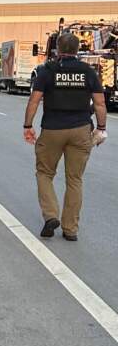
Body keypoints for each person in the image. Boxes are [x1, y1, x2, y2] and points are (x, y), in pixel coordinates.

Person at [23, 32, 107, 241]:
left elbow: (34, 101)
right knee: (75, 179)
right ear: (77, 49)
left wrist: (28, 125)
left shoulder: (46, 71)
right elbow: (99, 103)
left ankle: (51, 215)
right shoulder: (88, 71)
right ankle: (70, 229)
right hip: (80, 130)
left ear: (58, 49)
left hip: (52, 129)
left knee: (44, 173)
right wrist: (101, 127)